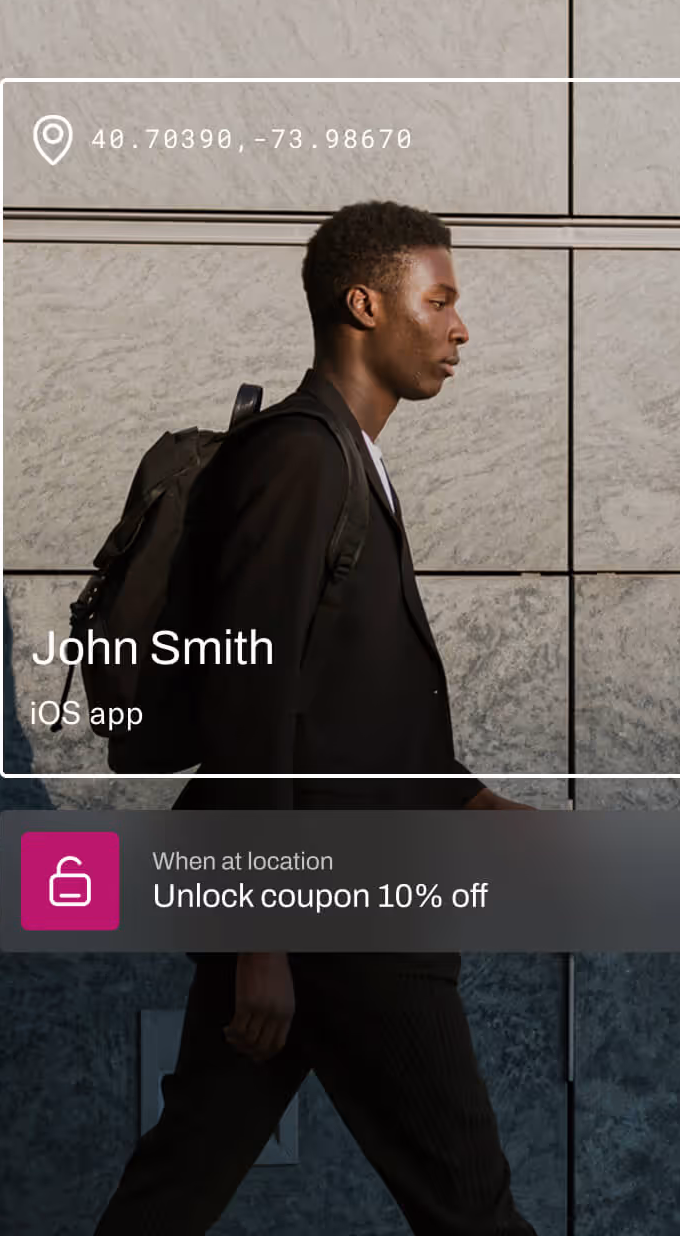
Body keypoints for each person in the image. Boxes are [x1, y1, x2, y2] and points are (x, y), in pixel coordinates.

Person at [94, 200, 539, 1235]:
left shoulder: (348, 459)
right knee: (473, 1208)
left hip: (321, 897)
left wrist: (482, 806)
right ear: (363, 303)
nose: (460, 327)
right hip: (341, 906)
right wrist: (261, 936)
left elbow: (344, 709)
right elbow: (249, 697)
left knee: (175, 1189)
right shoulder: (302, 458)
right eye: (441, 300)